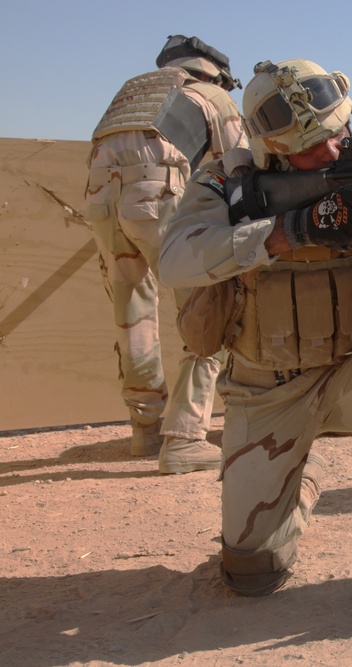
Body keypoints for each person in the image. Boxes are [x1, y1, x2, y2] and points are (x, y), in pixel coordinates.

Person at [158, 58, 352, 628]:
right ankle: (297, 484)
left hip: (350, 378)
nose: (333, 152)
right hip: (265, 392)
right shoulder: (226, 183)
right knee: (253, 574)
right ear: (272, 149)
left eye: (339, 133)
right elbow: (175, 260)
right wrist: (290, 230)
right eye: (313, 145)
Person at [83, 35, 247, 474]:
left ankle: (146, 430)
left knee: (132, 310)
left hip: (101, 197)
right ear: (215, 74)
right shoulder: (209, 94)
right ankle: (185, 438)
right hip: (159, 194)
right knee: (209, 304)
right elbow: (241, 167)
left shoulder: (133, 90)